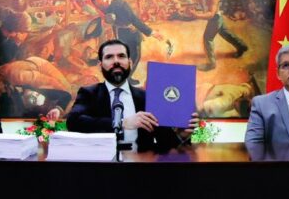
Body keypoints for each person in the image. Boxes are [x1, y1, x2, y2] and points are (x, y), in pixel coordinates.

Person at [66, 39, 198, 150]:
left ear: (130, 62)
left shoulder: (146, 97)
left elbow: (166, 142)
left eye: (121, 56)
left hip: (140, 169)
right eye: (109, 57)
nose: (116, 61)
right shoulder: (89, 93)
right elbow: (74, 122)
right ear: (100, 65)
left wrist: (182, 136)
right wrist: (122, 123)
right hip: (101, 167)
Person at [152, 0, 247, 71]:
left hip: (215, 18)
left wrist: (196, 15)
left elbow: (211, 14)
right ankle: (242, 46)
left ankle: (211, 64)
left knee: (207, 38)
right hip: (212, 16)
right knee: (225, 33)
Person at [91, 0, 163, 85]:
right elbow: (134, 20)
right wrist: (152, 33)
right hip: (129, 31)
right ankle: (126, 78)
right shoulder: (118, 3)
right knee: (135, 55)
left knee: (127, 54)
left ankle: (124, 77)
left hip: (121, 30)